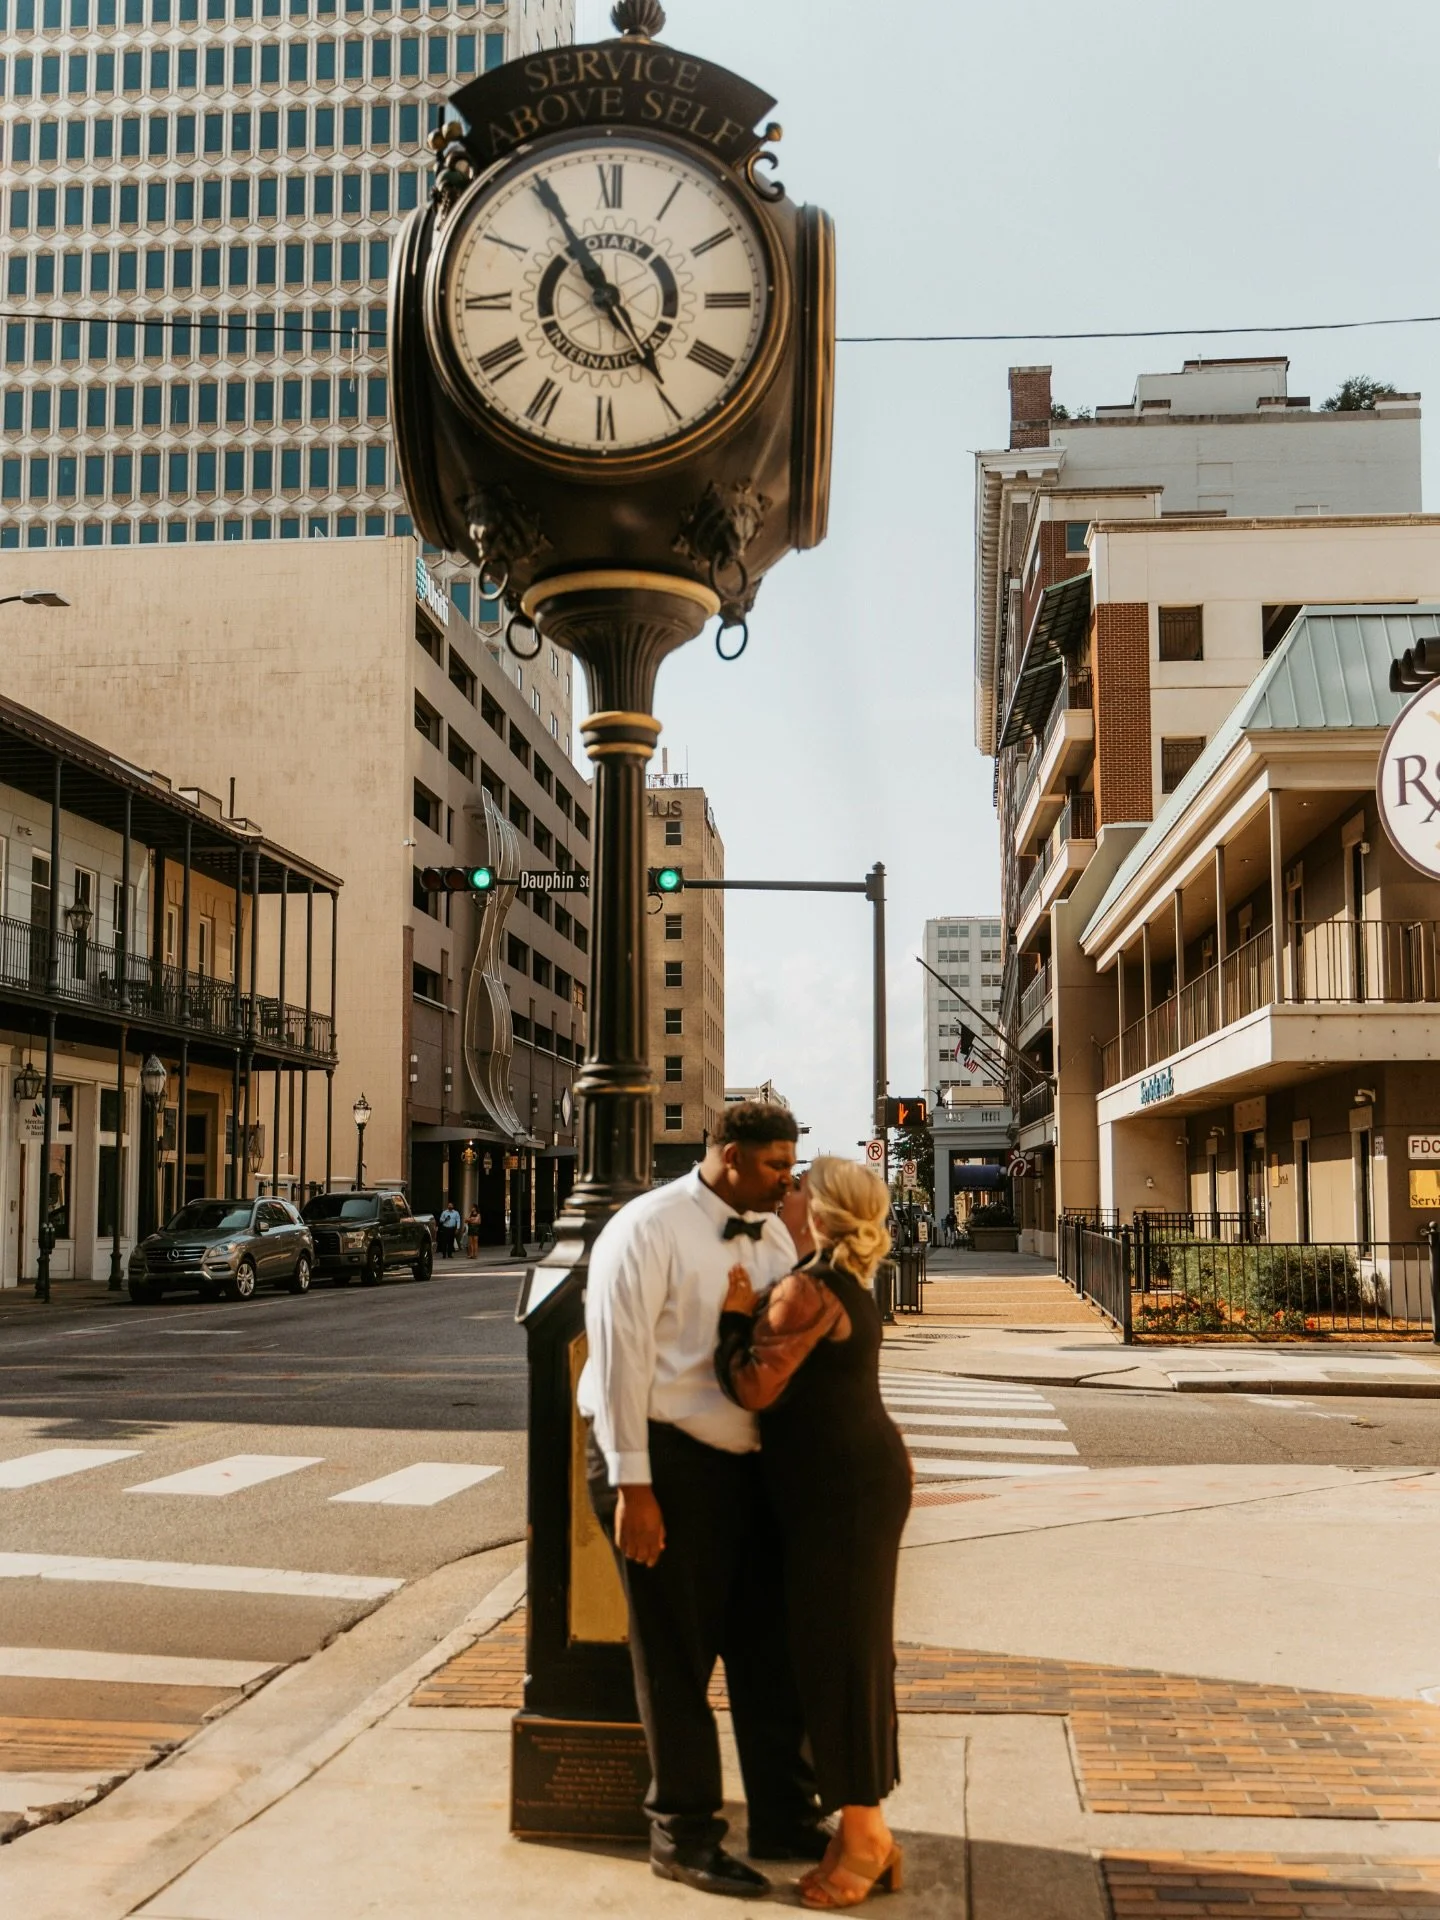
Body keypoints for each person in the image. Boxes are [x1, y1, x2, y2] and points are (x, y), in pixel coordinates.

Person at [577, 1101, 828, 1899]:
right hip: (664, 1466)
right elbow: (617, 1363)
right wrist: (633, 1486)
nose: (786, 1178)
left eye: (790, 1163)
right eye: (772, 1165)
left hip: (748, 1472)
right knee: (676, 1659)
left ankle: (786, 1815)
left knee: (768, 1652)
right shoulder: (645, 1228)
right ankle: (682, 1836)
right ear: (724, 1155)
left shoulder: (778, 1233)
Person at [716, 1156, 911, 1911]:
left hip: (841, 1497)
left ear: (823, 1211)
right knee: (846, 1655)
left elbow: (753, 1385)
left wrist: (736, 1318)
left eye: (801, 1186)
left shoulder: (808, 1286)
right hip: (846, 1487)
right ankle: (865, 1828)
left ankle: (864, 1837)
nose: (788, 1190)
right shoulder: (842, 1282)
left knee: (840, 1659)